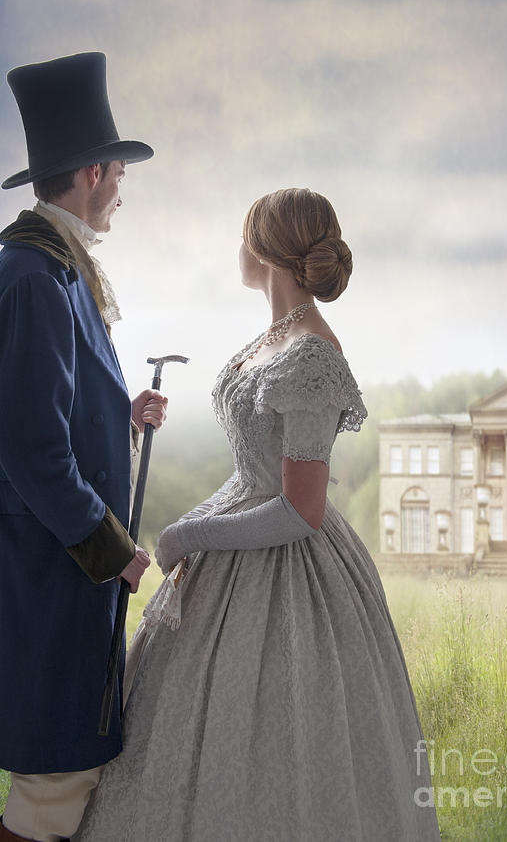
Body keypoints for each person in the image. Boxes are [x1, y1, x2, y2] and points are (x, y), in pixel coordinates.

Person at [76, 188, 441, 841]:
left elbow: (300, 509)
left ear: (268, 249)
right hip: (235, 542)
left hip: (291, 568)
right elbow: (253, 467)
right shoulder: (275, 338)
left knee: (279, 731)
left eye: (246, 234)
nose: (238, 248)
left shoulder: (311, 357)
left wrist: (192, 531)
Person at [0, 52, 168, 842]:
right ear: (95, 172)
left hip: (64, 570)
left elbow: (53, 412)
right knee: (50, 790)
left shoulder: (55, 267)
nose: (122, 195)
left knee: (61, 785)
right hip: (57, 570)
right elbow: (32, 453)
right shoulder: (34, 276)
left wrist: (120, 412)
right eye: (120, 179)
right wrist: (117, 552)